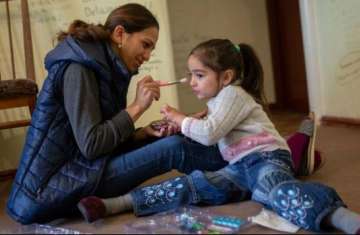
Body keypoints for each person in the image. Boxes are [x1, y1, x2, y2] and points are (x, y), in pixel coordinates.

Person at [78, 39, 360, 234]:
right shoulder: (220, 100)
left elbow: (210, 133)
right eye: (191, 74)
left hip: (265, 158)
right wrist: (183, 125)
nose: (191, 82)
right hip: (238, 167)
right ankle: (116, 204)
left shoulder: (234, 94)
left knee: (276, 192)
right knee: (191, 185)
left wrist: (180, 118)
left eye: (199, 75)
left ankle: (345, 219)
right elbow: (210, 128)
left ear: (226, 77)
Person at [6, 3, 229, 225]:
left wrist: (141, 134)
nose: (148, 55)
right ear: (120, 34)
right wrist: (137, 107)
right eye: (145, 45)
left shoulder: (103, 66)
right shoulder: (79, 69)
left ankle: (234, 158)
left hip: (83, 169)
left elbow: (99, 142)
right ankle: (243, 164)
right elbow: (92, 145)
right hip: (45, 193)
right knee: (174, 149)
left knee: (171, 138)